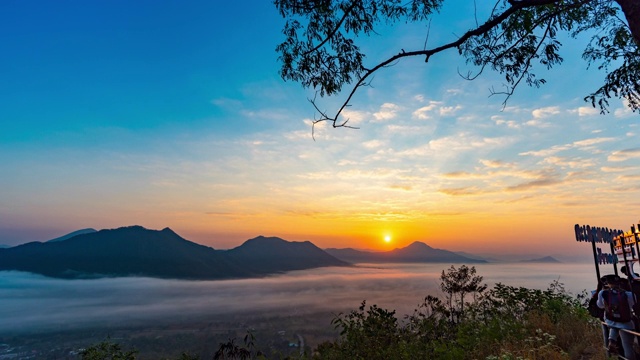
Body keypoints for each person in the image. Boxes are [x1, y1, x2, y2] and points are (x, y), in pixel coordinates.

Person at [598, 274, 636, 359]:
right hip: (626, 323)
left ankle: (612, 339)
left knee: (613, 326)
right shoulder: (628, 294)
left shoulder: (603, 293)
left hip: (610, 321)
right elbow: (633, 304)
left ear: (608, 283)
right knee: (628, 347)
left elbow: (600, 305)